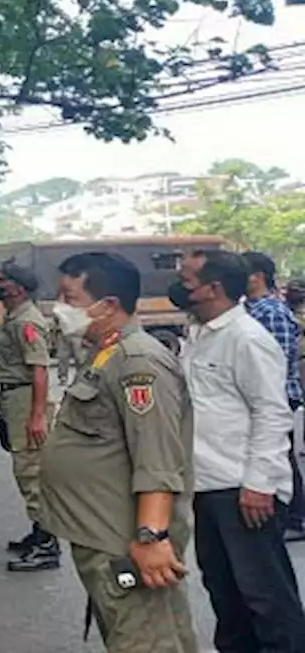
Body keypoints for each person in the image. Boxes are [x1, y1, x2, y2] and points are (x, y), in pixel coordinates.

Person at [42, 252, 198, 653]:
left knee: (144, 640)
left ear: (108, 305)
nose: (59, 308)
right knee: (153, 633)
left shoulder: (138, 362)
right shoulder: (107, 352)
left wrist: (151, 538)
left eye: (69, 297)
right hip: (103, 535)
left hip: (125, 541)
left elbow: (157, 458)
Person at [172, 250, 305, 652]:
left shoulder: (247, 338)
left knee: (265, 598)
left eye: (188, 279)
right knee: (224, 593)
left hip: (244, 489)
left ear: (213, 288)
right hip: (207, 484)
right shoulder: (198, 335)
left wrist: (260, 484)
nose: (180, 286)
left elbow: (272, 412)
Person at [0, 262, 59, 571]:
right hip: (12, 398)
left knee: (31, 470)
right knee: (26, 467)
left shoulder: (26, 321)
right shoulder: (13, 317)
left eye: (3, 280)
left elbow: (39, 368)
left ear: (17, 288)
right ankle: (38, 531)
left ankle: (47, 544)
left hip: (24, 398)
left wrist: (37, 415)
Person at [243, 252, 305, 540]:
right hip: (264, 397)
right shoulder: (250, 310)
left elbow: (277, 363)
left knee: (282, 454)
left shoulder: (273, 313)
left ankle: (296, 516)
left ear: (257, 277)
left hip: (279, 395)